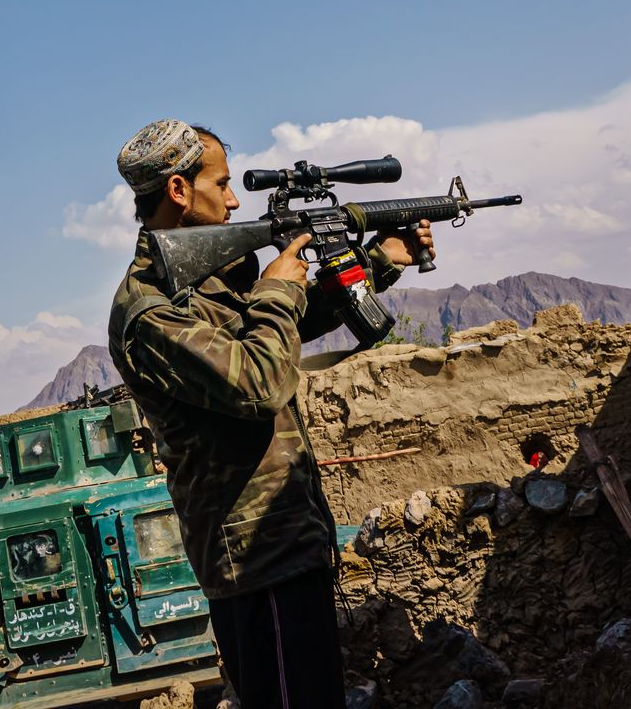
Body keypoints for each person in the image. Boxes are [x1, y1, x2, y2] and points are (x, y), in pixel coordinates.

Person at [106, 120, 434, 708]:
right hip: (255, 557)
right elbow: (258, 382)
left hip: (286, 542)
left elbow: (280, 335)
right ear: (179, 190)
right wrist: (279, 286)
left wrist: (382, 262)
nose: (234, 201)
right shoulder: (151, 312)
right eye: (222, 184)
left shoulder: (208, 278)